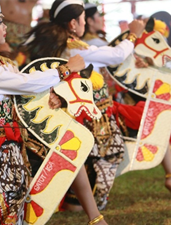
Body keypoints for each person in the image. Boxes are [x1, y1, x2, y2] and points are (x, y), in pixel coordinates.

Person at [0, 1, 105, 225]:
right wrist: (65, 69)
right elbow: (23, 83)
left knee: (9, 206)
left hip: (7, 146)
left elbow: (22, 90)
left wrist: (53, 95)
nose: (5, 27)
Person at [21, 0, 145, 211]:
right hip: (84, 114)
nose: (84, 25)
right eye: (82, 20)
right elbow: (115, 55)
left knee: (86, 158)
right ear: (73, 23)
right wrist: (133, 34)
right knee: (104, 154)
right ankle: (90, 204)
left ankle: (78, 203)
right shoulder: (74, 49)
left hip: (70, 111)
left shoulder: (59, 45)